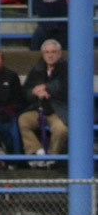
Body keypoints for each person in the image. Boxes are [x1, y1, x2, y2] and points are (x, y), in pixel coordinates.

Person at [18, 38, 68, 166]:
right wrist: (35, 93)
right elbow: (25, 92)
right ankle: (36, 152)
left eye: (53, 52)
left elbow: (64, 86)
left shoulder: (66, 68)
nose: (50, 55)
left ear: (59, 53)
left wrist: (46, 88)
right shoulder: (36, 69)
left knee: (61, 129)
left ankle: (52, 157)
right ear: (43, 54)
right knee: (23, 120)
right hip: (39, 108)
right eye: (47, 52)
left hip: (58, 111)